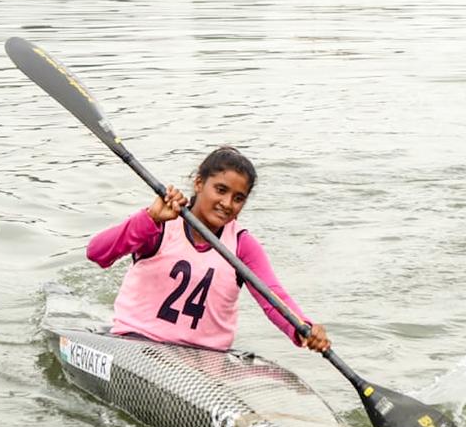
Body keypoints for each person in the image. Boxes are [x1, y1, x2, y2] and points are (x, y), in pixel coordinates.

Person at [86, 146, 331, 353]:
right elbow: (97, 253)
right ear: (199, 183)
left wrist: (302, 328)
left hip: (206, 357)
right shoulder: (162, 226)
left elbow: (273, 297)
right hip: (139, 344)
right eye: (221, 190)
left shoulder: (242, 245)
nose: (227, 204)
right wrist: (150, 218)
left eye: (238, 198)